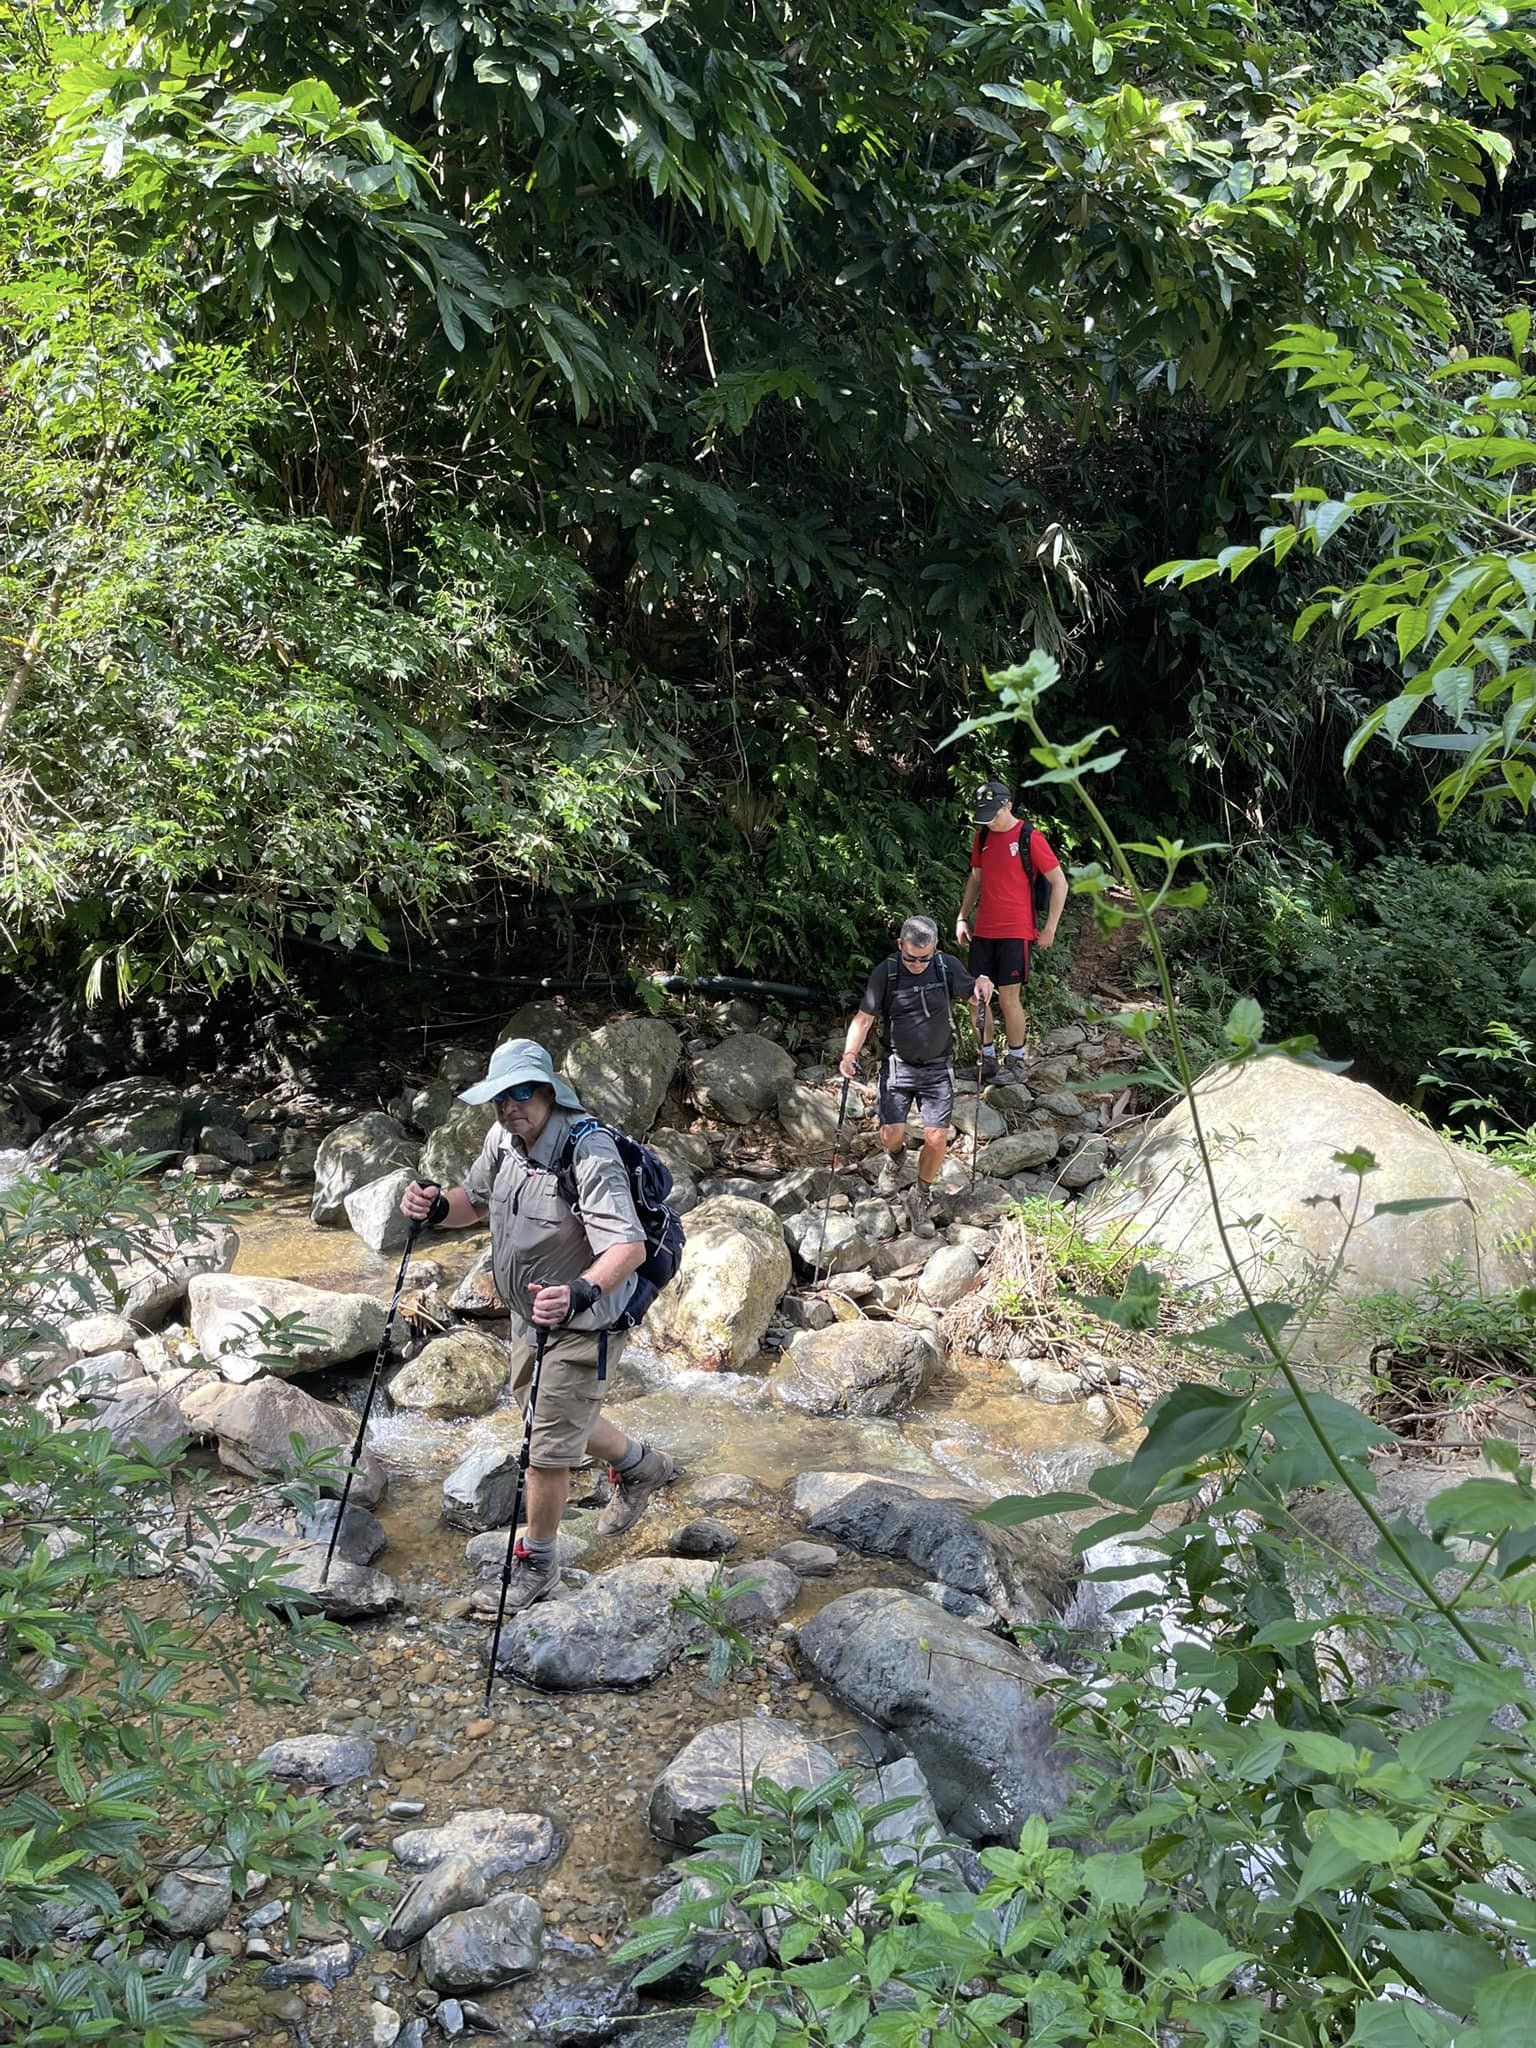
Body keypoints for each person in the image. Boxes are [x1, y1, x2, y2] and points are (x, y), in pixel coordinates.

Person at [400, 1038, 678, 1613]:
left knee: (544, 1447)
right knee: (543, 1411)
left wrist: (578, 1291)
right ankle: (640, 1465)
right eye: (501, 1097)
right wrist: (431, 1207)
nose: (510, 1106)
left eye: (522, 1093)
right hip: (531, 1316)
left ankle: (538, 1567)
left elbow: (625, 1246)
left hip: (584, 1318)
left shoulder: (588, 1152)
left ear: (550, 1091)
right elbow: (471, 1204)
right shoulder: (504, 1140)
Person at [838, 916, 994, 1238]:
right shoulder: (887, 972)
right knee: (891, 1133)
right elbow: (864, 1019)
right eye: (910, 957)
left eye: (924, 957)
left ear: (935, 948)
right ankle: (895, 1160)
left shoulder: (946, 966)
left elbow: (975, 998)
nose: (917, 964)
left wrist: (983, 989)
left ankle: (919, 1194)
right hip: (898, 1065)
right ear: (900, 946)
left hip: (937, 1068)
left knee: (937, 1137)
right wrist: (849, 1056)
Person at [955, 779, 1067, 1078]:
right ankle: (987, 1059)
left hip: (1017, 929)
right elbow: (976, 879)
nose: (989, 819)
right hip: (984, 928)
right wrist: (962, 916)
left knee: (1008, 997)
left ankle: (1016, 1061)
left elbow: (1060, 882)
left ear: (1008, 806)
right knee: (975, 997)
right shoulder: (982, 838)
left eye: (994, 813)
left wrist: (1050, 928)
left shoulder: (1030, 837)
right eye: (984, 814)